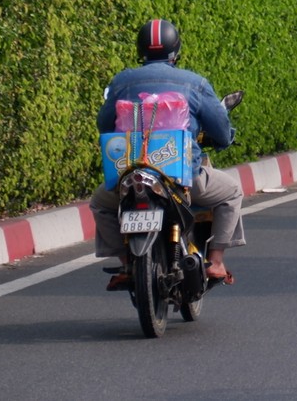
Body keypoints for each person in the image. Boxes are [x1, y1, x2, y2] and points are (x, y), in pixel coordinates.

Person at [90, 19, 243, 288]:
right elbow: (219, 129)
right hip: (183, 179)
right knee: (232, 192)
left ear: (141, 50)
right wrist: (226, 139)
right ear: (176, 50)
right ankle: (216, 262)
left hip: (131, 174)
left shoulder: (122, 81)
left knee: (101, 202)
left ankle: (126, 264)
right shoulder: (195, 83)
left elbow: (104, 125)